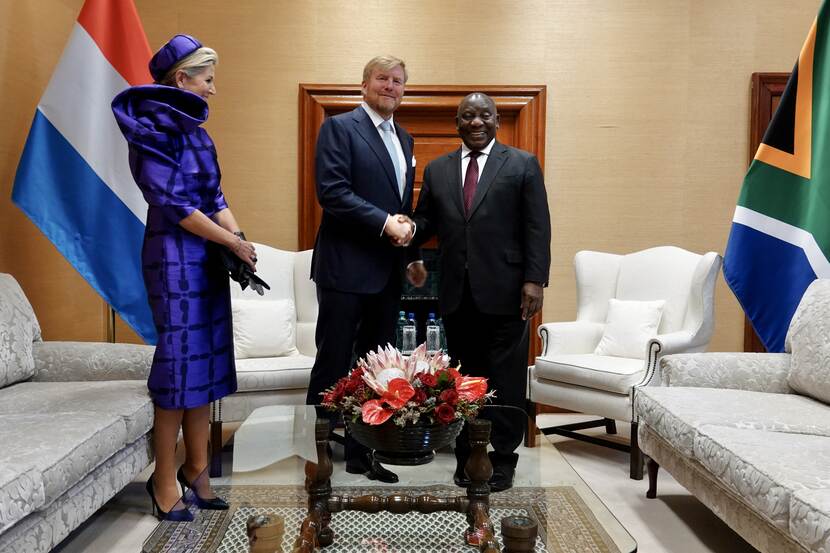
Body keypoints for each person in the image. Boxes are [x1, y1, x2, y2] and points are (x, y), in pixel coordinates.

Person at [112, 34, 256, 520]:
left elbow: (214, 195)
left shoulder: (197, 130)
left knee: (205, 364)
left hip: (207, 255)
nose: (214, 89)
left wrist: (240, 238)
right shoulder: (151, 128)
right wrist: (227, 241)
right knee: (178, 365)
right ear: (182, 79)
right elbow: (173, 205)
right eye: (208, 79)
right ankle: (164, 478)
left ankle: (198, 470)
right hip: (173, 257)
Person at [408, 92, 551, 492]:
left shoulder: (521, 164)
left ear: (496, 120)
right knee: (464, 381)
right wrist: (407, 234)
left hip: (508, 292)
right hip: (457, 293)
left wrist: (535, 280)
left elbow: (537, 225)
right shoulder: (438, 170)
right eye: (467, 116)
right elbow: (427, 221)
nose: (476, 122)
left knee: (504, 380)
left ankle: (502, 460)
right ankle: (469, 456)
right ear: (457, 123)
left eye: (483, 115)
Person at [306, 55, 416, 483]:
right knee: (333, 362)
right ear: (365, 84)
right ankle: (318, 455)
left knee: (376, 367)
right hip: (344, 268)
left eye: (398, 81)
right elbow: (332, 192)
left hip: (386, 271)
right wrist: (384, 221)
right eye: (383, 79)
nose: (391, 86)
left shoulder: (404, 139)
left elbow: (398, 201)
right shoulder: (339, 127)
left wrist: (404, 222)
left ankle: (362, 454)